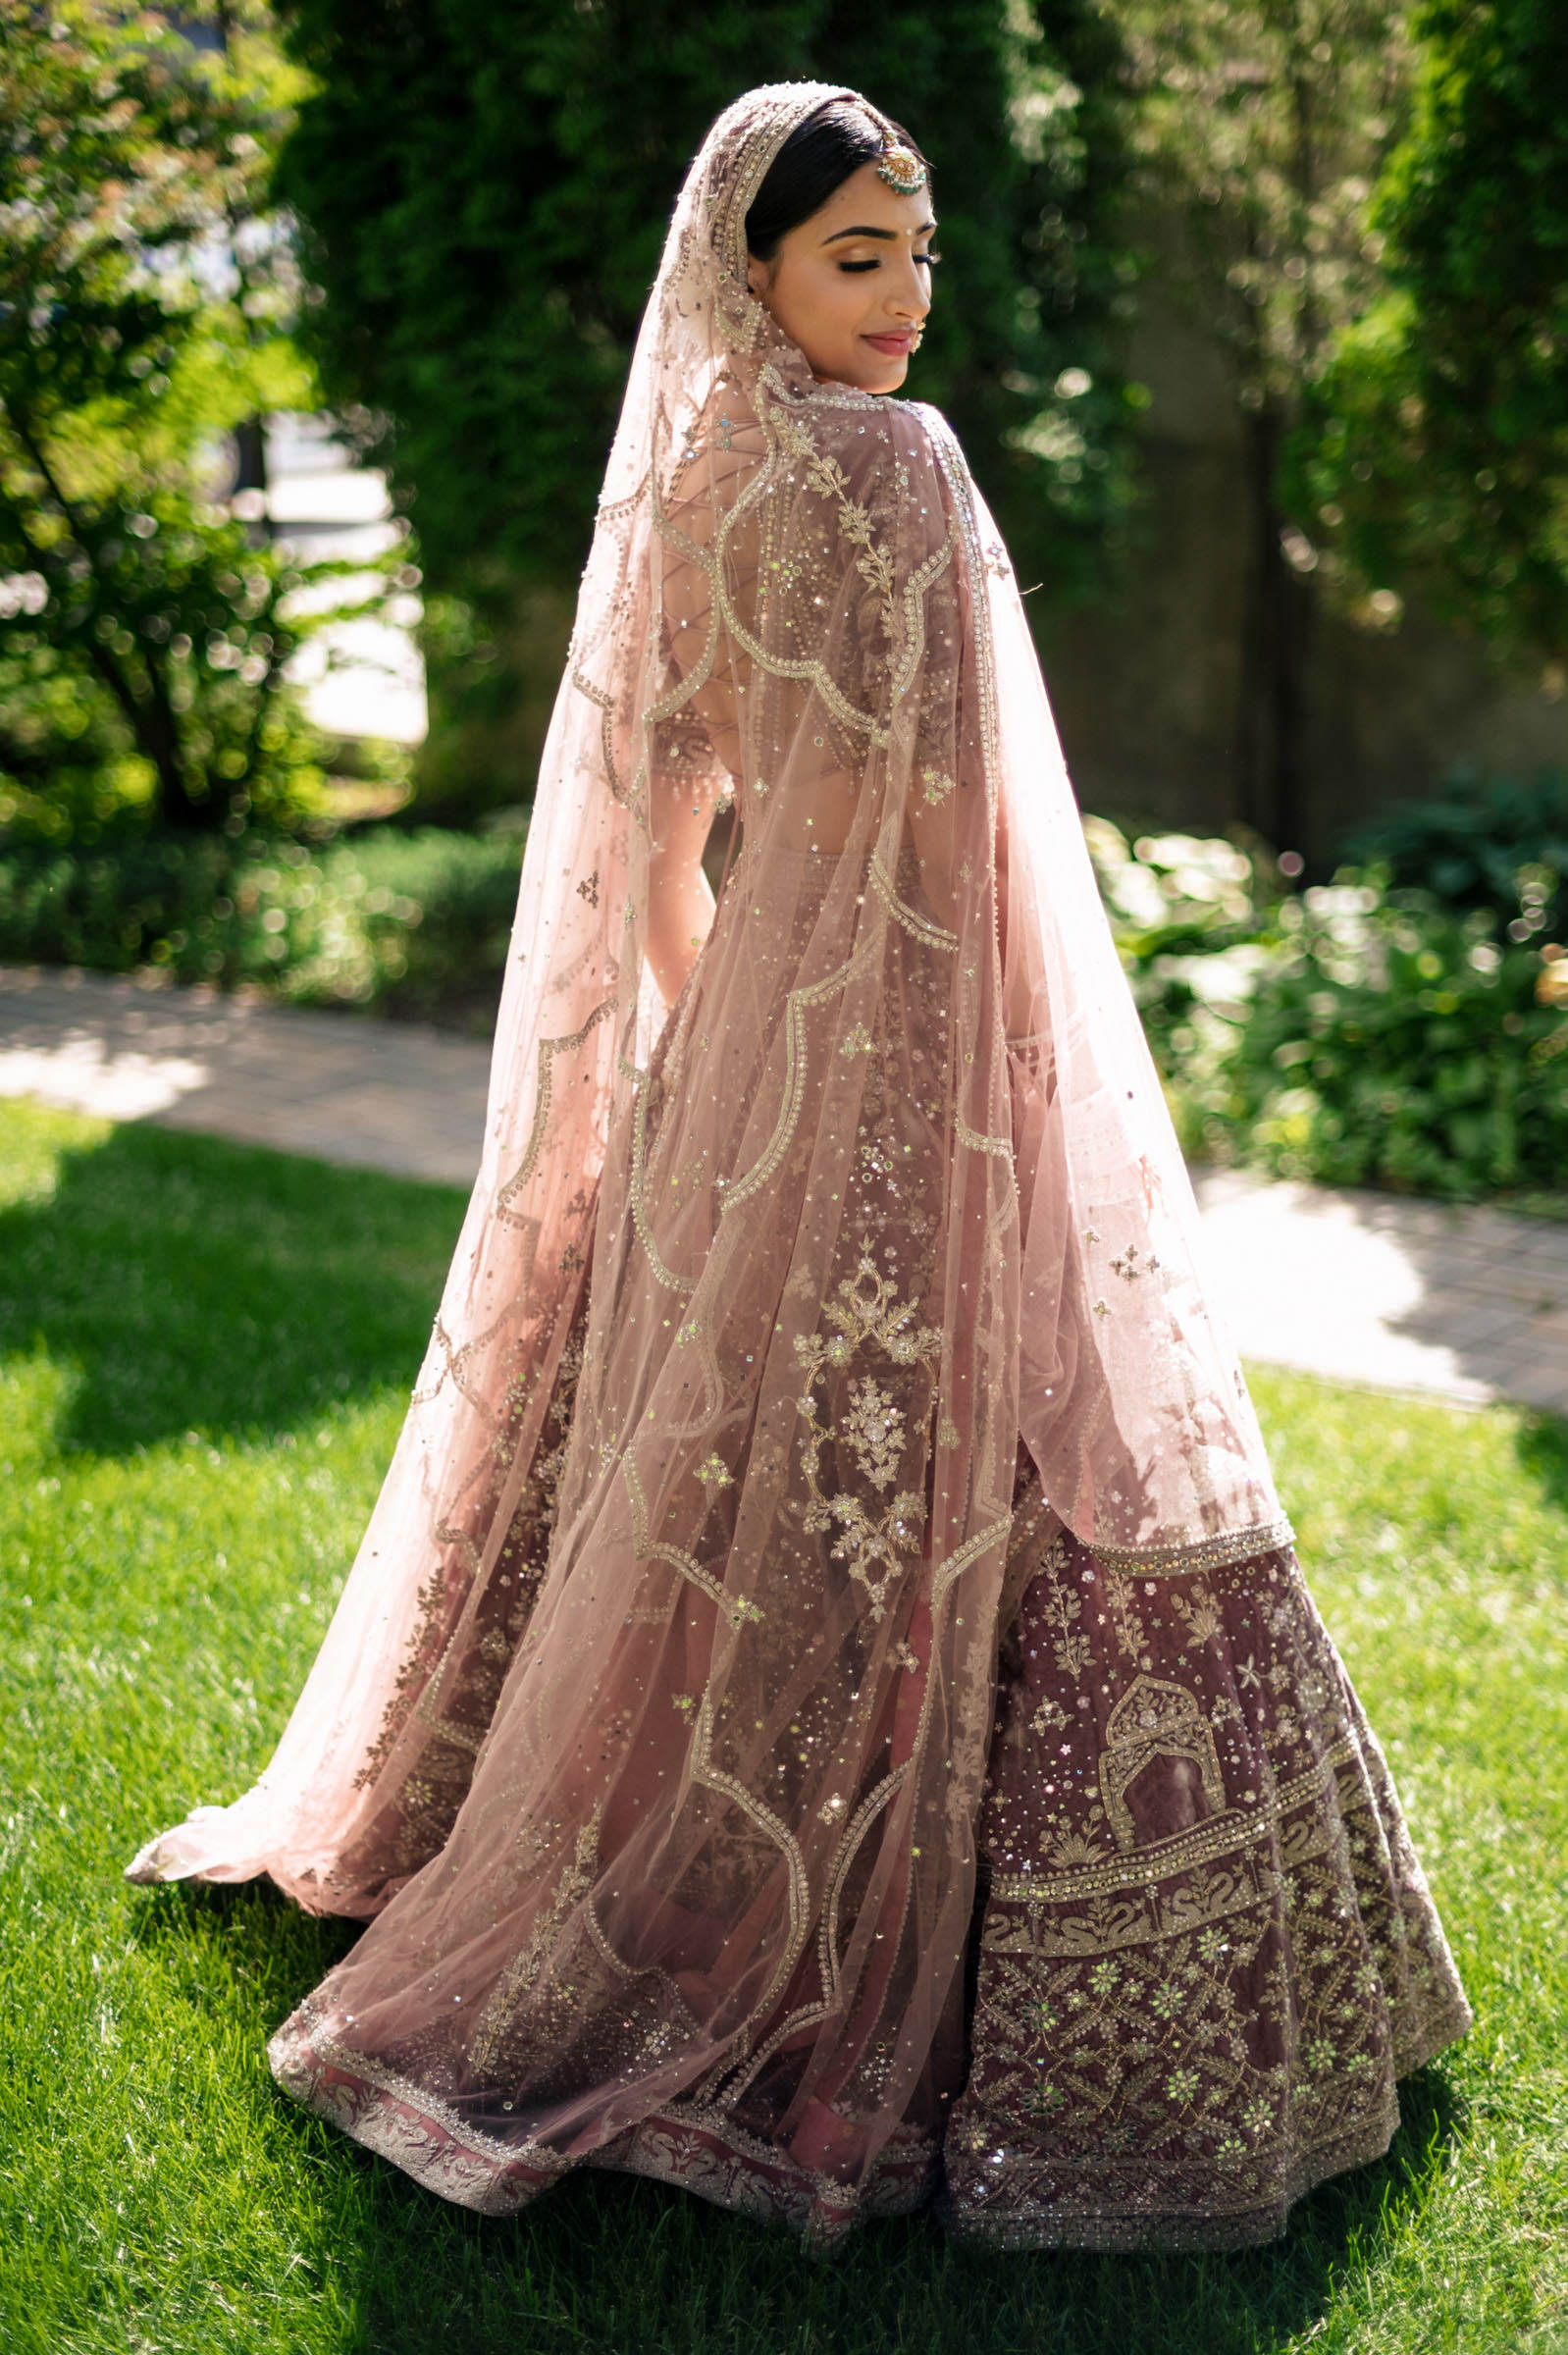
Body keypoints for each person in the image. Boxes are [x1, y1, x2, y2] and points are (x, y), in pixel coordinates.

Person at [127, 82, 1470, 2250]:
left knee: (720, 1459)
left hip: (751, 1046)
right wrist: (977, 1073)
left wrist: (722, 1075)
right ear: (747, 267)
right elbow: (984, 836)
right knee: (973, 1445)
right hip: (926, 1039)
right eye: (858, 256)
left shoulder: (684, 488)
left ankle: (615, 1862)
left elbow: (664, 858)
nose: (906, 297)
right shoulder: (901, 466)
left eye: (916, 255)